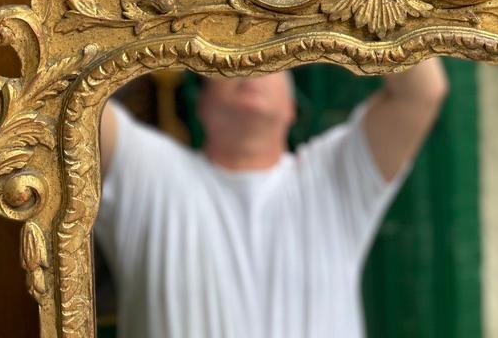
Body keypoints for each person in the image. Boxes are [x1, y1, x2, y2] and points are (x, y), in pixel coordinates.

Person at [95, 57, 449, 338]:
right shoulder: (150, 173)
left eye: (270, 62)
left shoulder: (332, 178)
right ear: (201, 104)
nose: (251, 65)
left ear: (291, 107)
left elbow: (420, 93)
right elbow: (67, 95)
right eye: (233, 56)